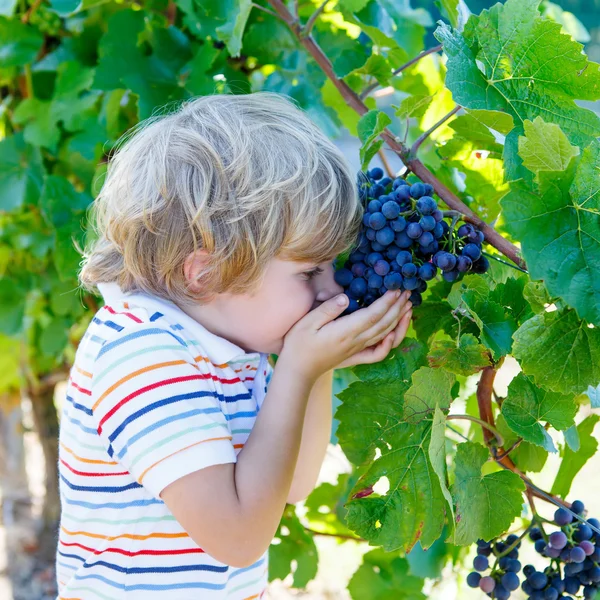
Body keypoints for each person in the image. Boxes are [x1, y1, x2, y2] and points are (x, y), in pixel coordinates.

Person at [56, 91, 413, 599]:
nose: (334, 292)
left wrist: (313, 370)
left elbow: (291, 486)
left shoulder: (224, 344)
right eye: (310, 272)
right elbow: (240, 537)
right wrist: (294, 371)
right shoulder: (142, 356)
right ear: (207, 272)